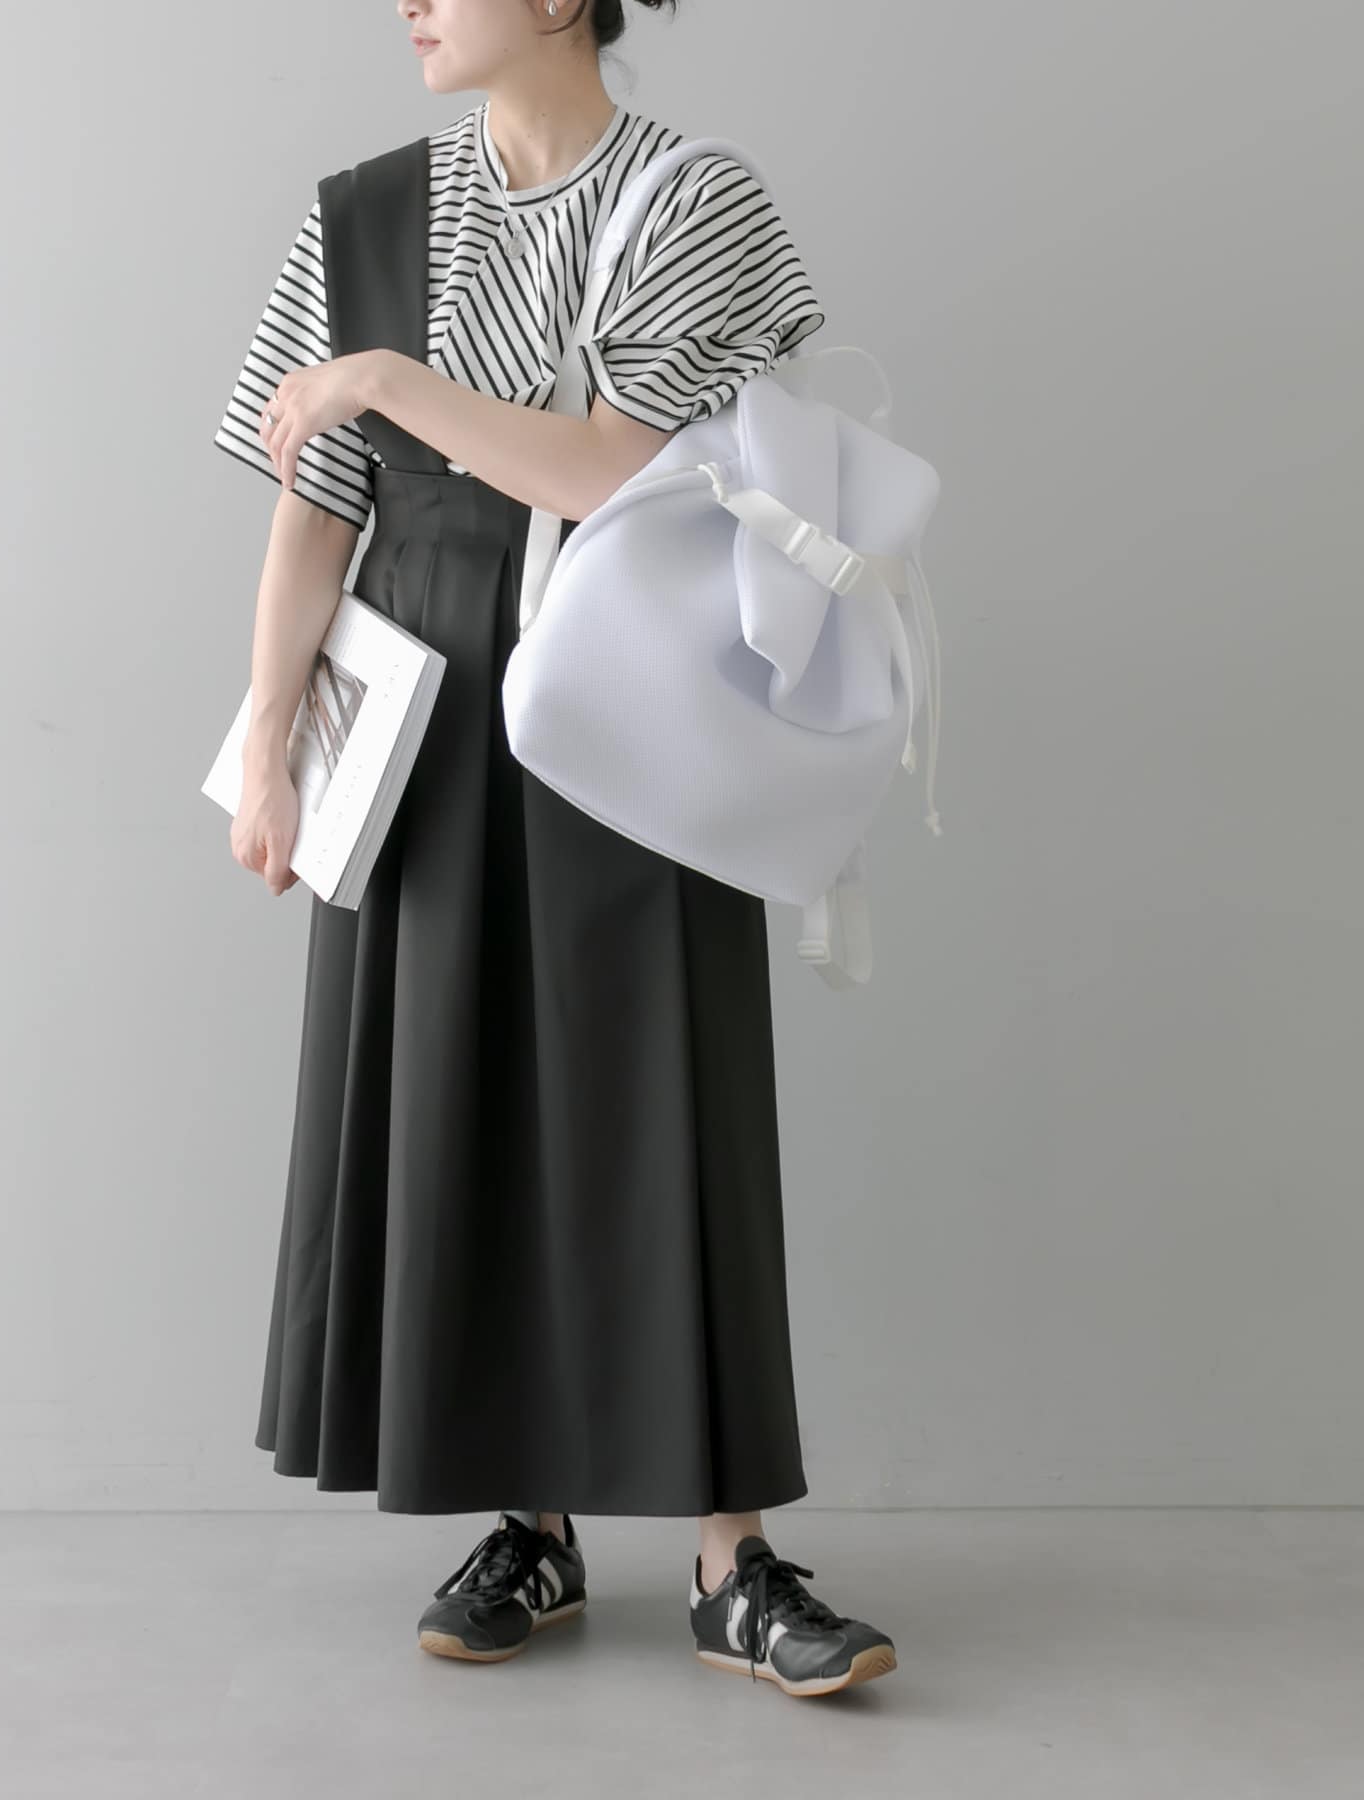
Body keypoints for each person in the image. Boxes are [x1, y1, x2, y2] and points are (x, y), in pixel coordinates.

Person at [211, 0, 897, 1700]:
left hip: (627, 711)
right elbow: (314, 514)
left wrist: (383, 377)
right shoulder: (362, 214)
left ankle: (732, 1559)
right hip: (421, 716)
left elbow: (601, 470)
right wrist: (272, 744)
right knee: (458, 1094)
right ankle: (532, 1523)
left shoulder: (692, 198)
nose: (410, 1)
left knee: (665, 1096)